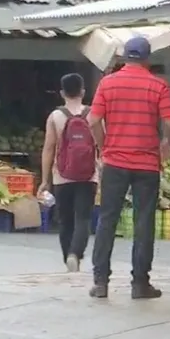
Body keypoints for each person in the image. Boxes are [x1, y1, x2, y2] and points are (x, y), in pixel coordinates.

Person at [87, 37, 170, 299]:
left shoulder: (108, 83)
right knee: (143, 223)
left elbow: (93, 120)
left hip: (115, 162)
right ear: (148, 58)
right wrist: (166, 145)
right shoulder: (158, 85)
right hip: (147, 164)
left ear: (124, 56)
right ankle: (140, 284)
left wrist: (105, 146)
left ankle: (101, 282)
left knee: (107, 220)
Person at [38, 73, 98, 273]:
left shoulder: (55, 116)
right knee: (83, 218)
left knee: (65, 220)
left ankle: (68, 260)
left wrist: (45, 180)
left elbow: (48, 148)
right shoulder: (94, 114)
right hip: (89, 175)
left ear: (62, 93)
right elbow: (103, 145)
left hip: (62, 176)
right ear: (83, 91)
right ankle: (75, 254)